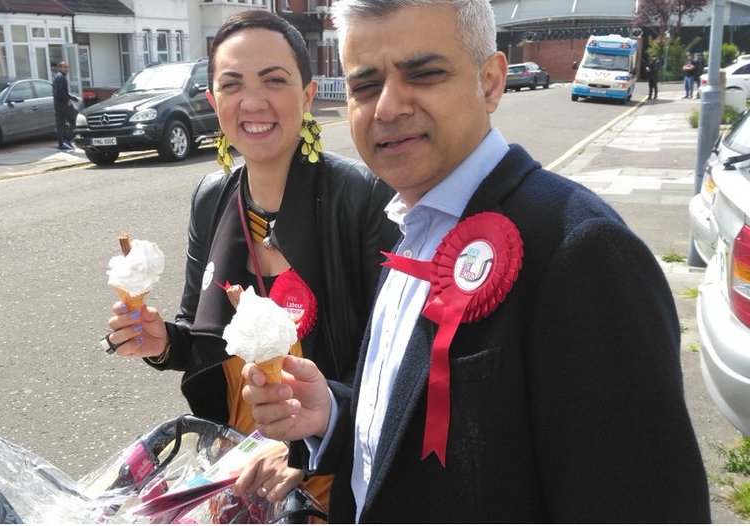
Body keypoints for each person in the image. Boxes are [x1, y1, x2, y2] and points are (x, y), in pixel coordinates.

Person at [241, 0, 711, 522]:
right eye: (365, 85)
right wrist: (332, 413)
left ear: (490, 82)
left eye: (424, 74)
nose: (388, 106)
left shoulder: (583, 249)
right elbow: (426, 444)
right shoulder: (410, 224)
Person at [103, 10, 399, 512]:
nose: (253, 102)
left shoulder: (362, 198)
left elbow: (391, 370)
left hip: (330, 478)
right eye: (232, 84)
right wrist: (160, 342)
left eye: (274, 80)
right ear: (213, 100)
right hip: (236, 474)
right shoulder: (212, 198)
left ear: (307, 96)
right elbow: (202, 339)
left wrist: (309, 449)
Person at [53, 61, 79, 150]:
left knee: (60, 124)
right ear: (59, 68)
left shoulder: (59, 77)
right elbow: (58, 92)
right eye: (64, 67)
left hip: (58, 104)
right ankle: (66, 141)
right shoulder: (61, 77)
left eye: (67, 67)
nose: (66, 69)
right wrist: (67, 99)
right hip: (63, 104)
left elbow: (61, 92)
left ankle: (62, 143)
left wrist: (71, 97)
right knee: (75, 120)